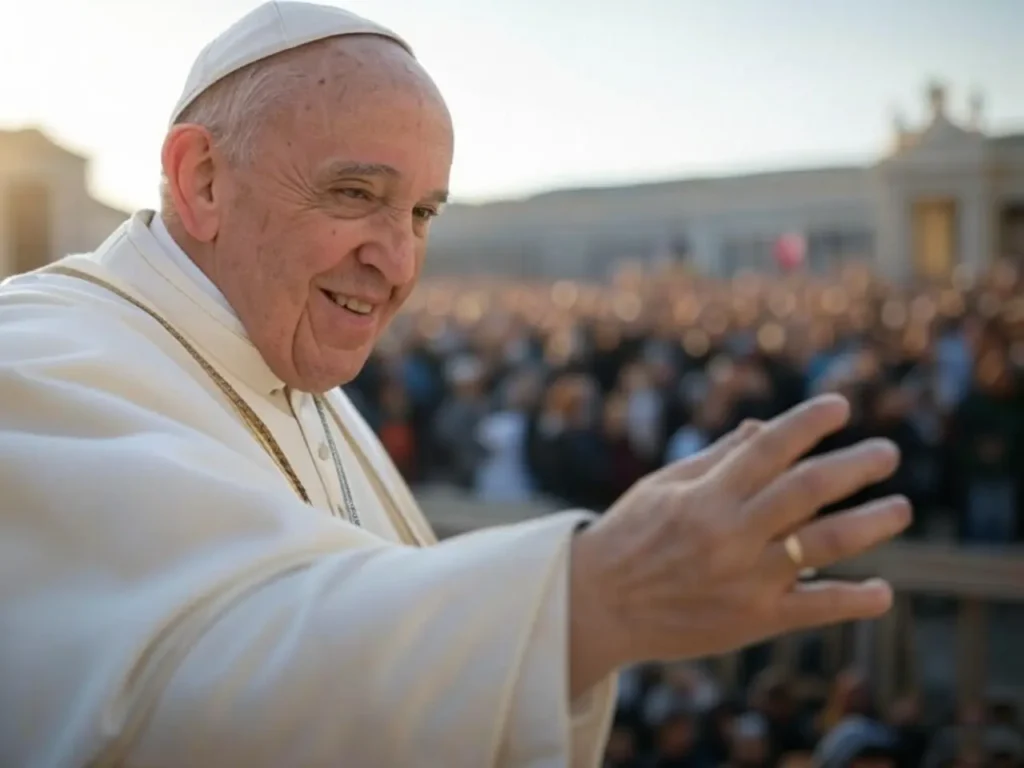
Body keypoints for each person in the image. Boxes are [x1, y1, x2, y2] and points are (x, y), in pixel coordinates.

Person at [0, 3, 911, 766]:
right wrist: (594, 596)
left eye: (422, 213)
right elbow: (182, 701)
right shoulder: (33, 356)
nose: (398, 263)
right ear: (202, 180)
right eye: (355, 194)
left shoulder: (301, 378)